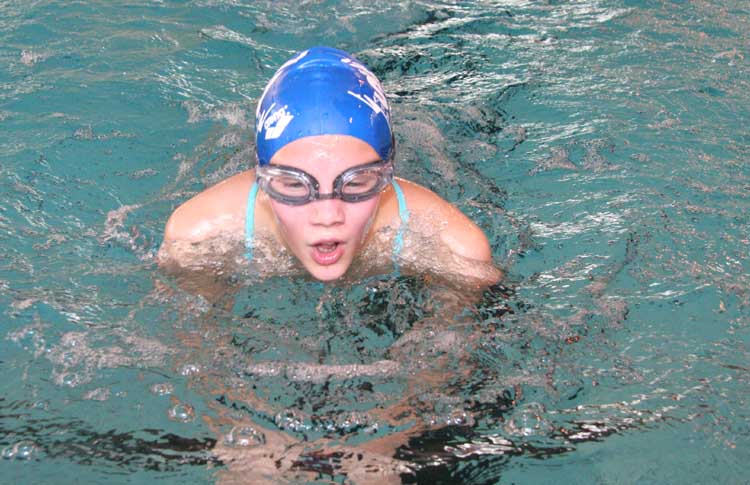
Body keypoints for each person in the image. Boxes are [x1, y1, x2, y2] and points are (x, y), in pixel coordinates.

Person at [158, 46, 501, 288]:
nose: (327, 215)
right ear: (261, 179)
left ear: (387, 174)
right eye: (294, 185)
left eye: (356, 183)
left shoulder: (452, 247)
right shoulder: (199, 237)